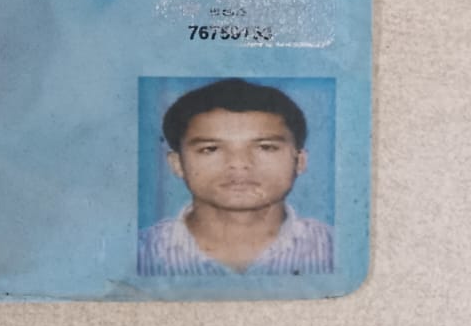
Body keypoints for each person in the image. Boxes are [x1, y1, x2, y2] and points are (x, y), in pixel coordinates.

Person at [138, 78, 334, 276]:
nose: (239, 163)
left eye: (265, 147)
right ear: (177, 164)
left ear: (300, 161)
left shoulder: (335, 248)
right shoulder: (140, 253)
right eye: (210, 149)